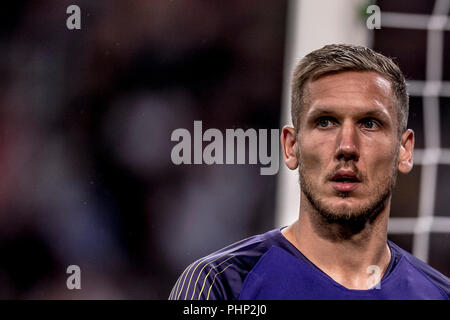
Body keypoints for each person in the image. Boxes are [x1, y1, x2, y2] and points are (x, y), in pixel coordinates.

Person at [168, 44, 450, 300]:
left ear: (405, 150)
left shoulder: (438, 294)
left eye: (370, 123)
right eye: (325, 122)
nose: (347, 146)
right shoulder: (222, 285)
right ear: (291, 147)